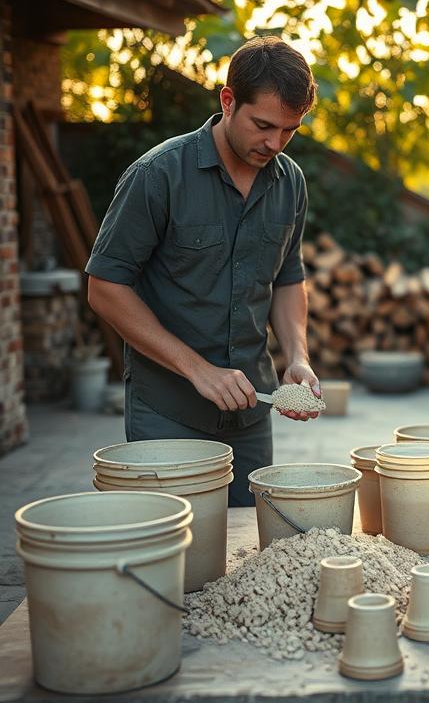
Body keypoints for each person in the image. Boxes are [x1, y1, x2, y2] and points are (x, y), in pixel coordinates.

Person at [86, 36, 321, 507]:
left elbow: (288, 278)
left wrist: (298, 355)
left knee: (244, 561)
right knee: (178, 563)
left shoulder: (289, 180)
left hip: (254, 411)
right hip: (168, 411)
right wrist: (198, 370)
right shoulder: (158, 175)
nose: (274, 143)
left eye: (290, 130)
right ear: (228, 101)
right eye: (263, 125)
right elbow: (105, 287)